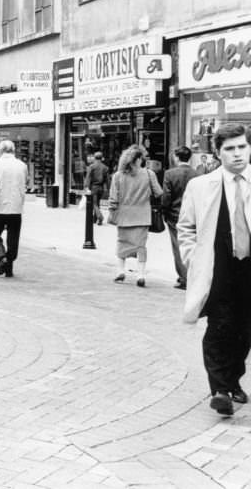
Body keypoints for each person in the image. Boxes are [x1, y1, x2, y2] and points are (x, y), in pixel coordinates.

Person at [177, 123, 251, 416]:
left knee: (244, 330)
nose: (237, 154)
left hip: (249, 269)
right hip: (217, 267)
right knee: (220, 326)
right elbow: (186, 227)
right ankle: (220, 389)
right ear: (218, 154)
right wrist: (194, 258)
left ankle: (232, 380)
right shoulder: (200, 185)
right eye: (229, 149)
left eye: (241, 147)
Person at [107, 144, 163, 287]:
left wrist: (112, 213)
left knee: (122, 243)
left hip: (124, 216)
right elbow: (159, 193)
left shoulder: (117, 176)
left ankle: (121, 271)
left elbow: (113, 199)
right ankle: (140, 275)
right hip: (143, 215)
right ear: (138, 159)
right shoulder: (149, 174)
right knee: (141, 246)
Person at [0, 140, 29, 278]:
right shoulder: (22, 165)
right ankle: (9, 265)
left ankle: (2, 256)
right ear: (13, 150)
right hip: (16, 207)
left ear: (0, 150)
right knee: (13, 237)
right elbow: (25, 181)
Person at [161, 145, 199, 291]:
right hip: (194, 215)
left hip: (175, 215)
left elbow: (166, 197)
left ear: (176, 157)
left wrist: (164, 212)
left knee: (178, 246)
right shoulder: (197, 174)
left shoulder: (170, 174)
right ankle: (192, 275)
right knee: (192, 245)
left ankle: (184, 278)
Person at [84, 152, 111, 225]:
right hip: (101, 188)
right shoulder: (105, 168)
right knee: (97, 203)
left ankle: (100, 217)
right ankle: (95, 219)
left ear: (95, 158)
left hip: (94, 187)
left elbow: (88, 177)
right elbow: (108, 180)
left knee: (94, 203)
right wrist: (108, 189)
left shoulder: (92, 166)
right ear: (101, 158)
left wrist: (86, 187)